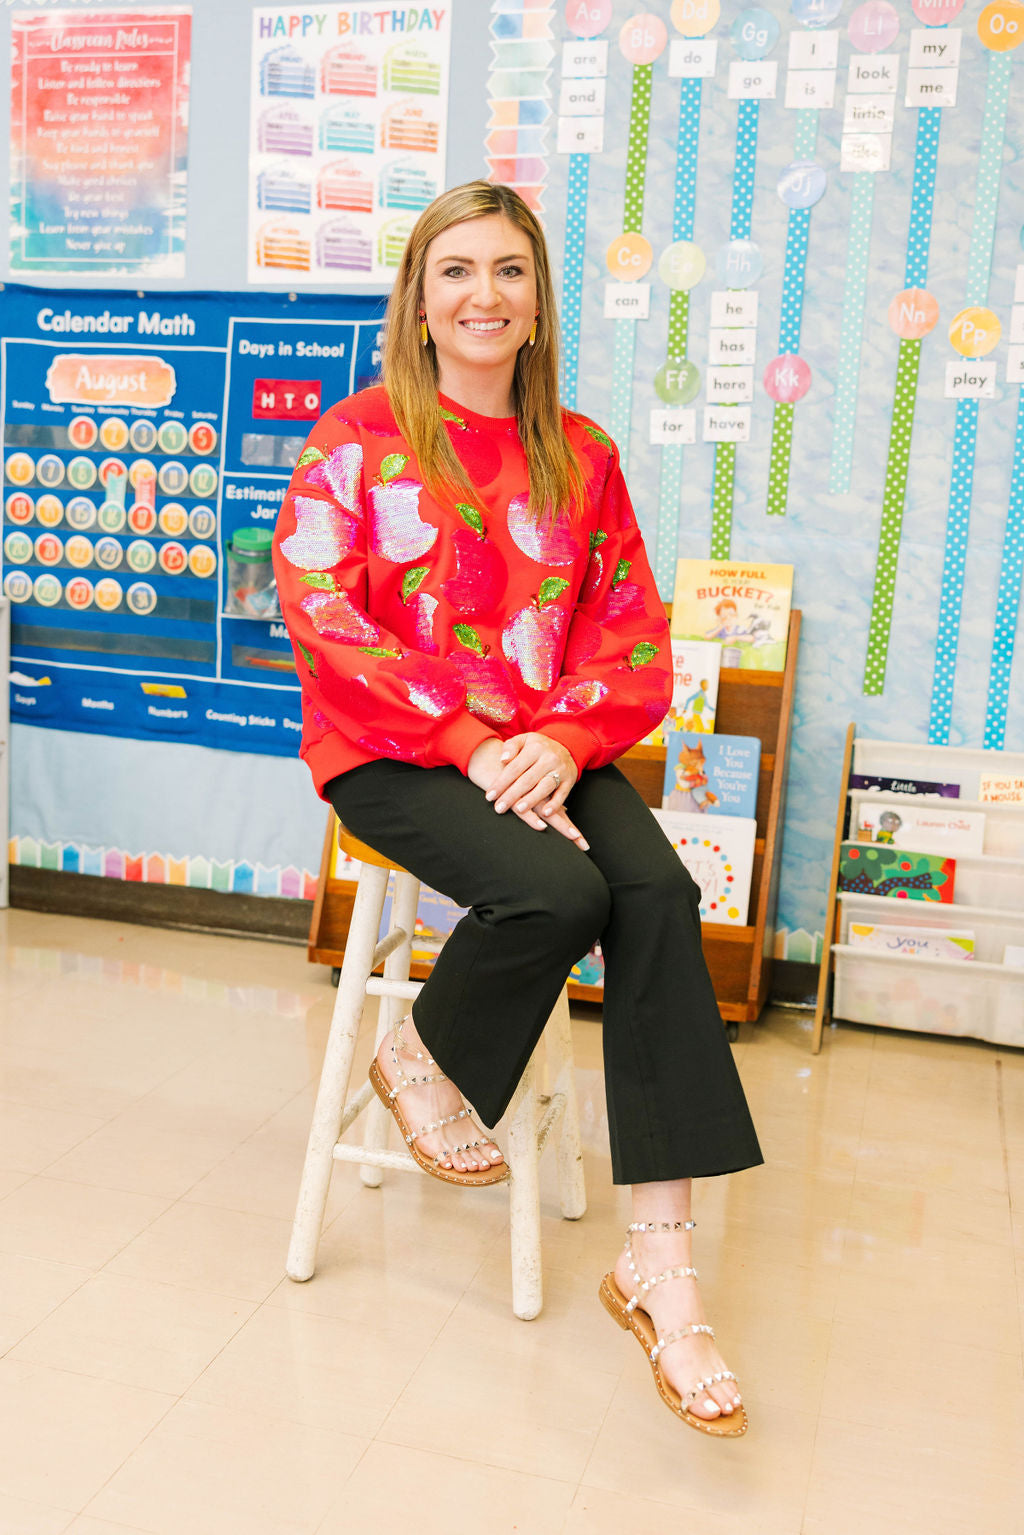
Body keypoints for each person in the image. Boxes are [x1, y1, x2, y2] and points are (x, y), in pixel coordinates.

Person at [272, 180, 763, 1438]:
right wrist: (467, 739)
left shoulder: (580, 454)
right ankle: (421, 1050)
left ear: (539, 303)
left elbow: (628, 628)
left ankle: (661, 1257)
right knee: (557, 889)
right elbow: (325, 619)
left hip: (545, 742)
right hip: (394, 745)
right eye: (455, 271)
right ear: (419, 301)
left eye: (507, 272)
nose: (481, 295)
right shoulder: (358, 440)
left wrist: (559, 733)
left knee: (655, 887)